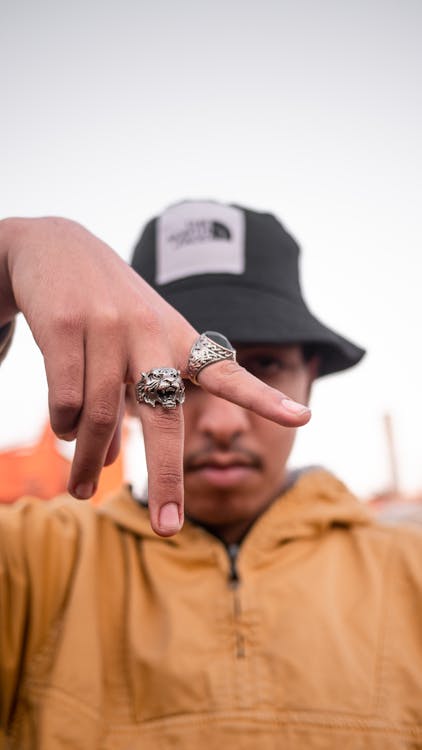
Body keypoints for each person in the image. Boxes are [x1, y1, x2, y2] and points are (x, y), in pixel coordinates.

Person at [0, 202, 421, 749]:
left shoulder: (411, 573)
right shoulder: (34, 567)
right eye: (178, 372)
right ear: (123, 382)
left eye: (263, 364)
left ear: (309, 377)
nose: (223, 422)